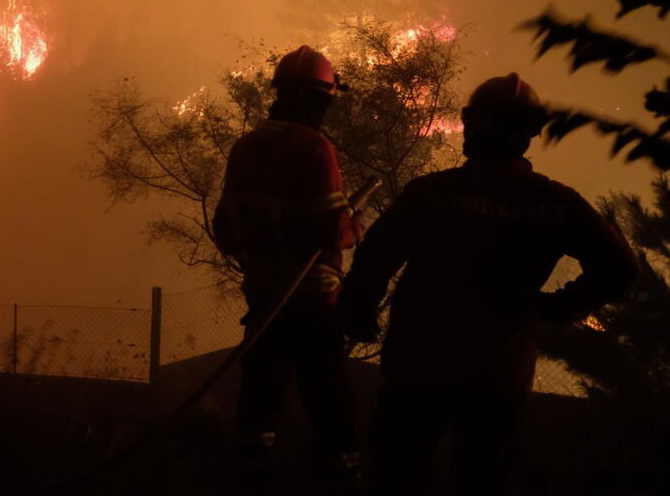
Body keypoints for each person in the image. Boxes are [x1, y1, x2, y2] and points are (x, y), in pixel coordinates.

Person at [339, 73, 640, 495]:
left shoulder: (430, 193)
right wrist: (555, 307)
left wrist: (358, 313)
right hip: (499, 373)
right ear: (530, 134)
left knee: (398, 472)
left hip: (418, 362)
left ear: (469, 123)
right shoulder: (555, 202)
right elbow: (621, 267)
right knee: (482, 477)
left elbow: (374, 260)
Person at [213, 45, 364, 490]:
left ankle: (250, 482)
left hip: (262, 300)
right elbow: (333, 233)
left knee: (258, 404)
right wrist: (357, 226)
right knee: (333, 407)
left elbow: (226, 227)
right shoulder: (316, 149)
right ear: (320, 100)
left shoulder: (247, 146)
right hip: (314, 304)